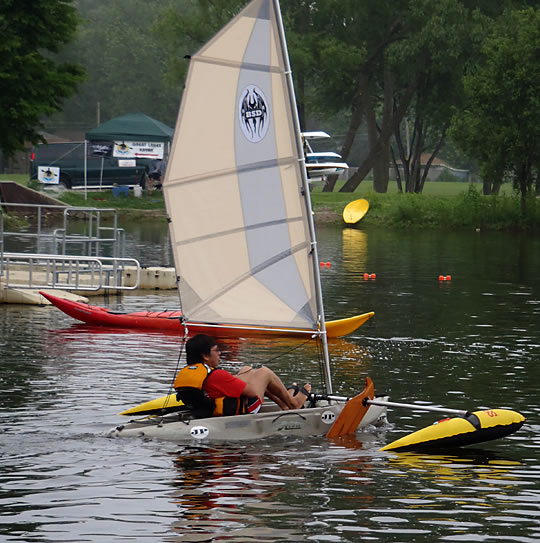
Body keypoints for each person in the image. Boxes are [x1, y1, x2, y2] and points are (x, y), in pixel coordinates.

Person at [174, 334, 311, 418]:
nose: (219, 354)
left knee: (246, 369)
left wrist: (248, 377)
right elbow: (252, 393)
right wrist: (254, 379)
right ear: (205, 356)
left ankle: (284, 405)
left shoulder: (189, 373)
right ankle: (294, 403)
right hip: (248, 408)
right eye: (216, 350)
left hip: (207, 410)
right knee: (264, 372)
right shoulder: (217, 376)